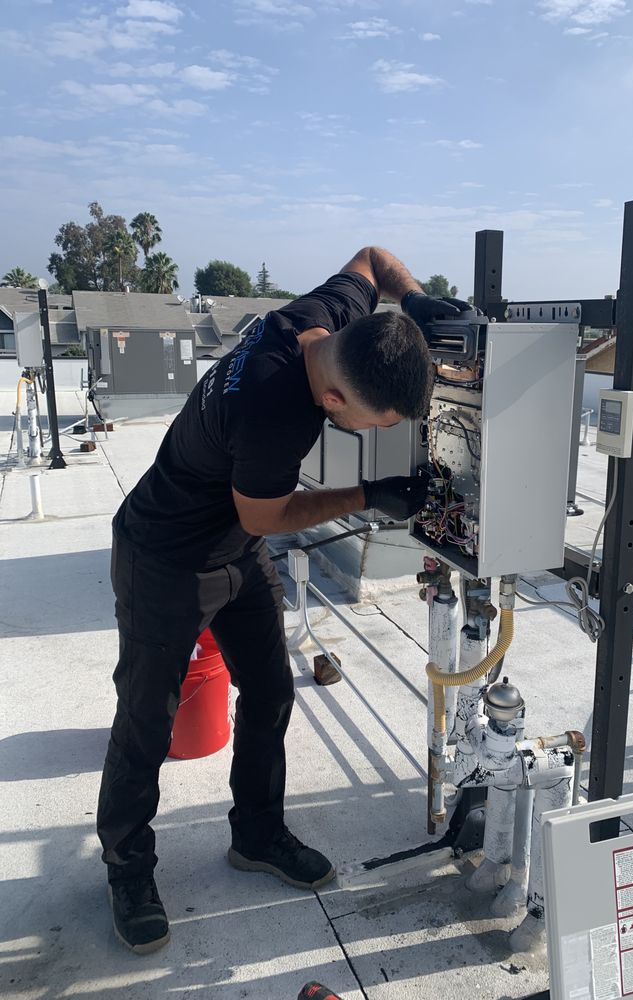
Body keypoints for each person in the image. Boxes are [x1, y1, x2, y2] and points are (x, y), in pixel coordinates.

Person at [97, 246, 467, 954]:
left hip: (232, 548)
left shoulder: (327, 317)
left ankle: (258, 834)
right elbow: (266, 514)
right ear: (332, 399)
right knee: (147, 719)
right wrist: (368, 496)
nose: (377, 432)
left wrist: (412, 300)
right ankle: (127, 871)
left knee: (269, 689)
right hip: (167, 558)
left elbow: (370, 257)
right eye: (374, 421)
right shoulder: (270, 410)